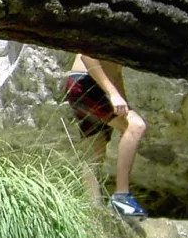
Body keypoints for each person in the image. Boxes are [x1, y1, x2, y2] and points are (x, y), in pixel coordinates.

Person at [63, 53, 149, 218]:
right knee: (136, 126)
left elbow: (116, 74)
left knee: (95, 149)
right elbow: (87, 55)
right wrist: (112, 94)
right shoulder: (119, 29)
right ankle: (121, 197)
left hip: (85, 85)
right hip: (88, 83)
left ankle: (94, 211)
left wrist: (120, 100)